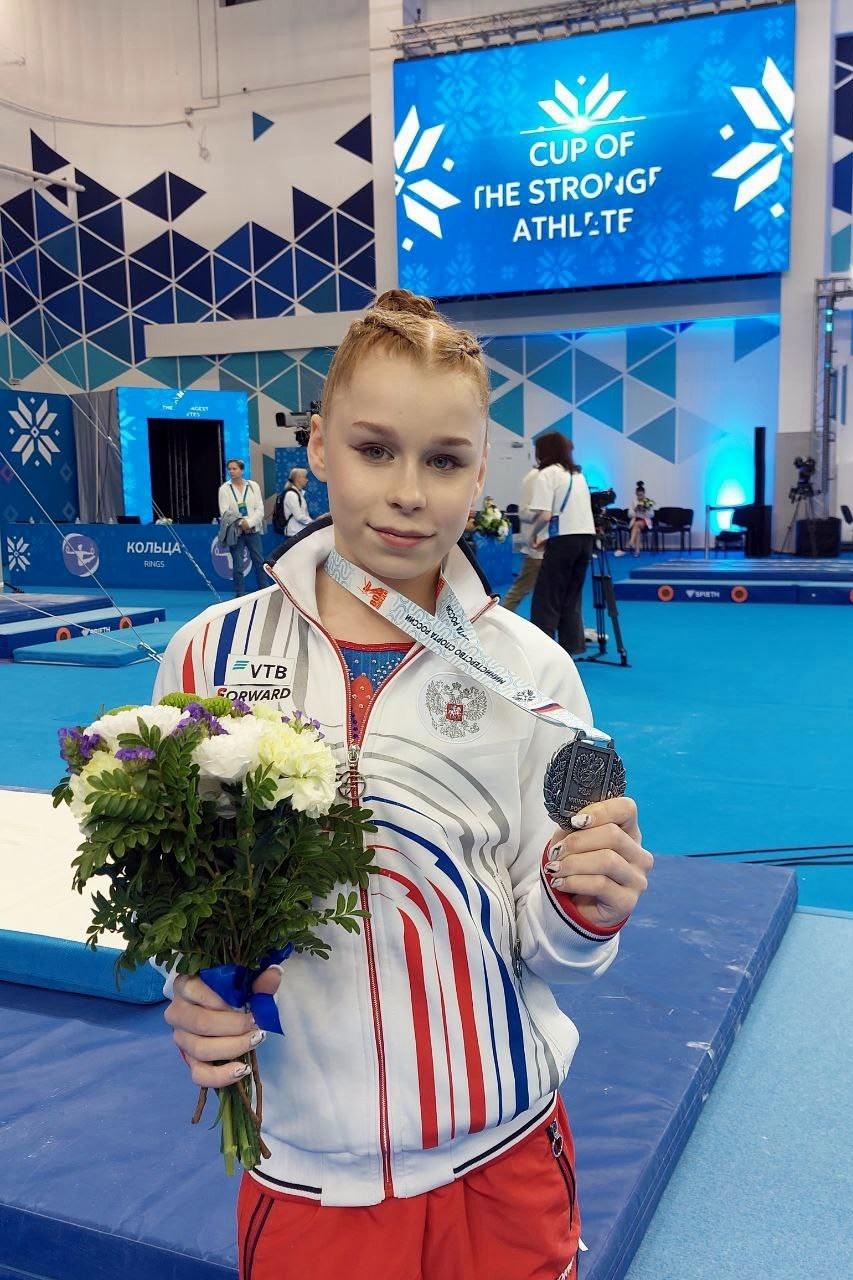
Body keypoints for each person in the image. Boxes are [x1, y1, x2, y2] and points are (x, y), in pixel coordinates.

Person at [155, 289, 653, 1280]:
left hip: (502, 1164)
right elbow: (183, 892)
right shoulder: (207, 655)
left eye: (444, 460)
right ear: (318, 447)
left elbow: (558, 948)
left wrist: (586, 902)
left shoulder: (537, 671)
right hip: (306, 1175)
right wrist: (194, 992)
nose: (408, 493)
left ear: (481, 475)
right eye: (375, 449)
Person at [528, 434, 596, 658]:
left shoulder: (547, 474)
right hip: (585, 539)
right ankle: (572, 646)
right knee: (571, 595)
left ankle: (543, 650)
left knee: (547, 597)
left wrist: (533, 534)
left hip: (563, 541)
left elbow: (545, 515)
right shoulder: (577, 475)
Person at [218, 459, 266, 596]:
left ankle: (265, 591)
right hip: (236, 532)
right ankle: (240, 595)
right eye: (229, 469)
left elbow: (260, 509)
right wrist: (240, 522)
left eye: (234, 468)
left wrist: (249, 523)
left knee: (259, 562)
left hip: (253, 531)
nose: (231, 471)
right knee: (238, 565)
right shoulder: (224, 489)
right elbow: (225, 512)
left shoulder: (253, 486)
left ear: (242, 470)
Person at [501, 461, 544, 612]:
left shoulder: (539, 477)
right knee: (520, 588)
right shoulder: (536, 478)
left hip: (544, 544)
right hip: (537, 545)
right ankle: (503, 618)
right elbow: (529, 513)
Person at [272, 467, 312, 539]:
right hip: (295, 534)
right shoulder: (291, 494)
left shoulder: (298, 493)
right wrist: (313, 522)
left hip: (299, 533)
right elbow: (299, 516)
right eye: (305, 477)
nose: (307, 480)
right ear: (298, 479)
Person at [628, 481, 654, 556]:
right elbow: (629, 514)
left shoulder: (648, 501)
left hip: (645, 521)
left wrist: (645, 511)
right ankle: (637, 551)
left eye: (641, 495)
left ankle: (631, 541)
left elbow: (652, 514)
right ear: (636, 494)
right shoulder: (634, 502)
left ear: (644, 493)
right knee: (638, 530)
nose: (640, 497)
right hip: (635, 520)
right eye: (638, 495)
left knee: (636, 524)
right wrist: (635, 510)